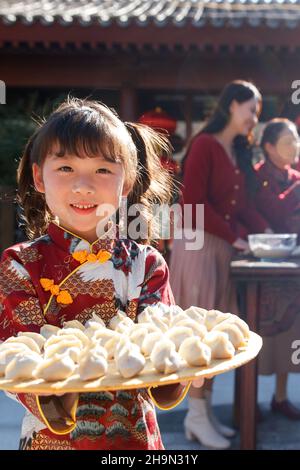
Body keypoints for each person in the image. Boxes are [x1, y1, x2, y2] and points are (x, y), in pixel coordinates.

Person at [0, 98, 203, 450]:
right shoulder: (20, 265)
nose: (83, 185)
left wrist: (185, 366)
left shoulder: (147, 265)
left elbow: (161, 346)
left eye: (103, 170)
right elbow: (17, 360)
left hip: (134, 436)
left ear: (126, 184)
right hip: (52, 439)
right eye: (65, 168)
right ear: (38, 177)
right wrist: (61, 397)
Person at [169, 80, 270, 449]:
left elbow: (243, 208)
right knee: (198, 333)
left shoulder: (236, 151)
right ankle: (195, 414)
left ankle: (203, 413)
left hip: (222, 248)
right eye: (252, 109)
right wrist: (233, 236)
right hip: (198, 247)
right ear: (232, 105)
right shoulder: (204, 145)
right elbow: (193, 204)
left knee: (216, 335)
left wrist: (268, 232)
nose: (255, 118)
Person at [253, 118, 300, 419]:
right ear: (269, 146)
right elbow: (273, 210)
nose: (295, 146)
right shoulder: (255, 177)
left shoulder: (295, 176)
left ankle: (280, 397)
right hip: (260, 268)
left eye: (296, 140)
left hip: (292, 267)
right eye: (288, 141)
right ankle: (248, 397)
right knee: (258, 331)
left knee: (289, 331)